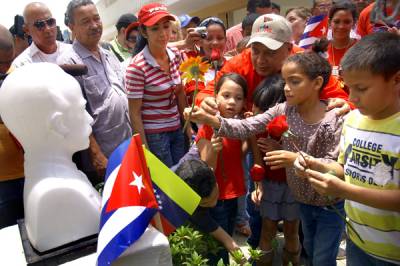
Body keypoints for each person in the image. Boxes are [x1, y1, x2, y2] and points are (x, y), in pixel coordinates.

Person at [185, 50, 347, 266]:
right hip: (304, 201)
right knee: (310, 248)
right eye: (285, 81)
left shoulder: (333, 118)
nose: (286, 88)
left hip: (329, 203)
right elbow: (246, 126)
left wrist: (295, 159)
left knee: (322, 258)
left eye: (294, 82)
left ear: (317, 83)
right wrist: (210, 120)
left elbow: (335, 165)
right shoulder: (285, 109)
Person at [294, 32, 400, 266]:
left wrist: (344, 191)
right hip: (358, 241)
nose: (352, 97)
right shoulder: (352, 120)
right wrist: (319, 165)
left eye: (361, 88)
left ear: (396, 79)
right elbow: (346, 169)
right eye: (348, 87)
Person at [0, 63, 101, 251]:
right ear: (59, 124)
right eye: (81, 109)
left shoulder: (49, 178)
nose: (90, 119)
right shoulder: (61, 193)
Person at [58, 0, 132, 183]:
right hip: (106, 154)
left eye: (96, 18)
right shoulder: (69, 62)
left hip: (129, 143)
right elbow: (76, 114)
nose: (94, 25)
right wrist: (96, 154)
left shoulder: (107, 53)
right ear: (71, 27)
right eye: (85, 22)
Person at [126, 3, 187, 168]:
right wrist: (144, 150)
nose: (163, 34)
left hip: (177, 128)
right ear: (144, 32)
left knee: (184, 176)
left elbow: (180, 94)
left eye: (166, 26)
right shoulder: (137, 67)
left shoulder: (175, 56)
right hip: (155, 136)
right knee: (168, 184)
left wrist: (188, 128)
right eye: (155, 29)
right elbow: (135, 113)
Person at [195, 73, 247, 264]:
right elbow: (206, 168)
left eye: (238, 98)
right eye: (226, 96)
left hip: (234, 193)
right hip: (217, 197)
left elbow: (238, 156)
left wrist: (249, 141)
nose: (232, 102)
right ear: (215, 96)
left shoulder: (239, 126)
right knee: (219, 248)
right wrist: (215, 150)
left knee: (228, 236)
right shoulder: (208, 127)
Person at [248, 75, 300, 266]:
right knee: (267, 229)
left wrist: (280, 148)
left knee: (291, 230)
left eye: (263, 109)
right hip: (269, 184)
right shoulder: (256, 128)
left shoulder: (294, 126)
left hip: (292, 184)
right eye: (256, 106)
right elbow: (257, 161)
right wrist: (258, 185)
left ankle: (291, 261)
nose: (257, 113)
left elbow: (302, 157)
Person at [175, 159, 243, 263]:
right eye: (205, 203)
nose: (213, 204)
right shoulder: (190, 207)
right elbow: (223, 237)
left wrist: (244, 261)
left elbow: (229, 241)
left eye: (214, 197)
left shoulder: (206, 170)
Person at [0, 24, 24, 230]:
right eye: (0, 63)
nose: (5, 68)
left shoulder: (17, 75)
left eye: (9, 61)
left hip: (29, 170)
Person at [12, 2, 69, 67]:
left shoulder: (72, 52)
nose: (48, 29)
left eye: (50, 22)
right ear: (27, 30)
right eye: (39, 25)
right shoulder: (22, 65)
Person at [325, 0, 358, 77]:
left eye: (347, 22)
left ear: (354, 23)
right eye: (336, 22)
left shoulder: (362, 49)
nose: (341, 26)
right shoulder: (320, 49)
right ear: (329, 22)